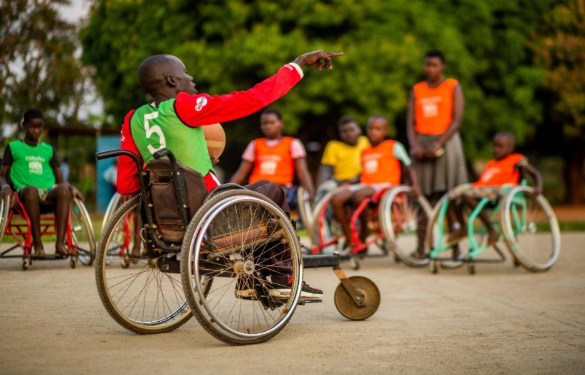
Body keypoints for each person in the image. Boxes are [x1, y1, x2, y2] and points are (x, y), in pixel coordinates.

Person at [116, 50, 343, 299]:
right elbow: (251, 98)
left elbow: (126, 184)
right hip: (208, 216)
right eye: (185, 73)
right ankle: (282, 277)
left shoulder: (132, 119)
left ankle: (248, 279)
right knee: (274, 191)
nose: (191, 79)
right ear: (172, 81)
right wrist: (297, 65)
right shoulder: (185, 106)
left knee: (256, 190)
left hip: (165, 223)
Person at [406, 49, 468, 259]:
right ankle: (421, 248)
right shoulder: (417, 89)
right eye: (427, 65)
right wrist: (414, 146)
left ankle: (456, 248)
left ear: (442, 67)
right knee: (422, 197)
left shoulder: (452, 86)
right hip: (422, 142)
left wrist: (439, 144)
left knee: (448, 195)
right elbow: (410, 122)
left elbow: (457, 119)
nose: (430, 69)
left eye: (434, 65)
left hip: (446, 141)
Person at [0, 109, 84, 256]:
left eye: (39, 127)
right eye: (32, 126)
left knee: (64, 189)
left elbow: (60, 179)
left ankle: (60, 244)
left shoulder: (48, 149)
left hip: (47, 195)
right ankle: (38, 244)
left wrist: (71, 188)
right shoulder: (13, 147)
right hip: (24, 196)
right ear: (23, 125)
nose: (36, 130)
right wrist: (5, 187)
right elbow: (3, 175)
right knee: (32, 190)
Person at [331, 115, 421, 252]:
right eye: (370, 128)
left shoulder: (393, 146)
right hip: (366, 183)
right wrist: (349, 183)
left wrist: (414, 185)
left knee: (358, 196)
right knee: (337, 198)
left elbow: (408, 166)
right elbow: (365, 174)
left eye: (378, 129)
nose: (373, 132)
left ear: (385, 131)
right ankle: (350, 238)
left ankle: (365, 232)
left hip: (385, 185)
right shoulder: (365, 151)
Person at [447, 132, 542, 246]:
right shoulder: (491, 163)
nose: (496, 150)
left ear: (510, 148)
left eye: (500, 147)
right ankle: (462, 228)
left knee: (467, 196)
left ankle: (491, 229)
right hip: (481, 190)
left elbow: (535, 174)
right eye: (494, 146)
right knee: (452, 196)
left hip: (500, 191)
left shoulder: (516, 159)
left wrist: (538, 186)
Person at [229, 108, 315, 201]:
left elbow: (302, 172)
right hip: (256, 187)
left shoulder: (292, 143)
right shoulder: (255, 144)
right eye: (264, 123)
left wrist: (310, 191)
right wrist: (227, 190)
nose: (268, 126)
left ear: (281, 124)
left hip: (280, 187)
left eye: (271, 123)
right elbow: (241, 172)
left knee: (269, 192)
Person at [316, 116, 370, 200]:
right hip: (339, 182)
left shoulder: (364, 141)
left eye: (351, 130)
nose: (348, 134)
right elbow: (327, 170)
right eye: (344, 131)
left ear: (359, 130)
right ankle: (321, 212)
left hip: (361, 180)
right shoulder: (333, 146)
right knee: (326, 188)